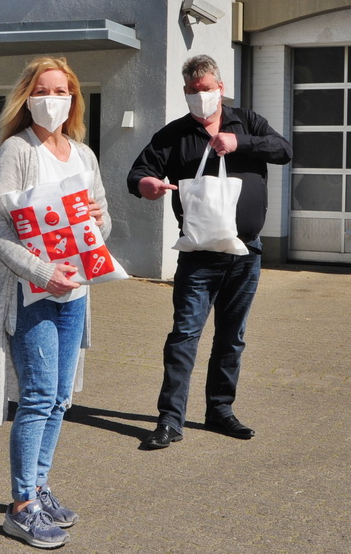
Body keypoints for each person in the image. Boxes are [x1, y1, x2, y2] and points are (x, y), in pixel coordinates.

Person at [0, 55, 111, 549]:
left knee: (58, 398)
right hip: (31, 293)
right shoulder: (16, 149)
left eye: (62, 91)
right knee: (35, 396)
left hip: (74, 294)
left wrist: (99, 216)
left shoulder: (83, 154)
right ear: (27, 96)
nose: (53, 100)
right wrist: (41, 271)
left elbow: (102, 229)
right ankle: (20, 506)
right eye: (44, 90)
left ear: (74, 98)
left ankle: (39, 486)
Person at [127, 54, 291, 450]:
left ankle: (220, 412)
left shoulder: (246, 121)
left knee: (232, 338)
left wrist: (241, 143)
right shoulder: (174, 135)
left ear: (221, 87)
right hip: (199, 255)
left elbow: (283, 150)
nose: (201, 96)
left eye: (207, 89)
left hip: (246, 253)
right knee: (184, 336)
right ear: (186, 92)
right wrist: (145, 185)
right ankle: (170, 420)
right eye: (193, 91)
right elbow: (138, 173)